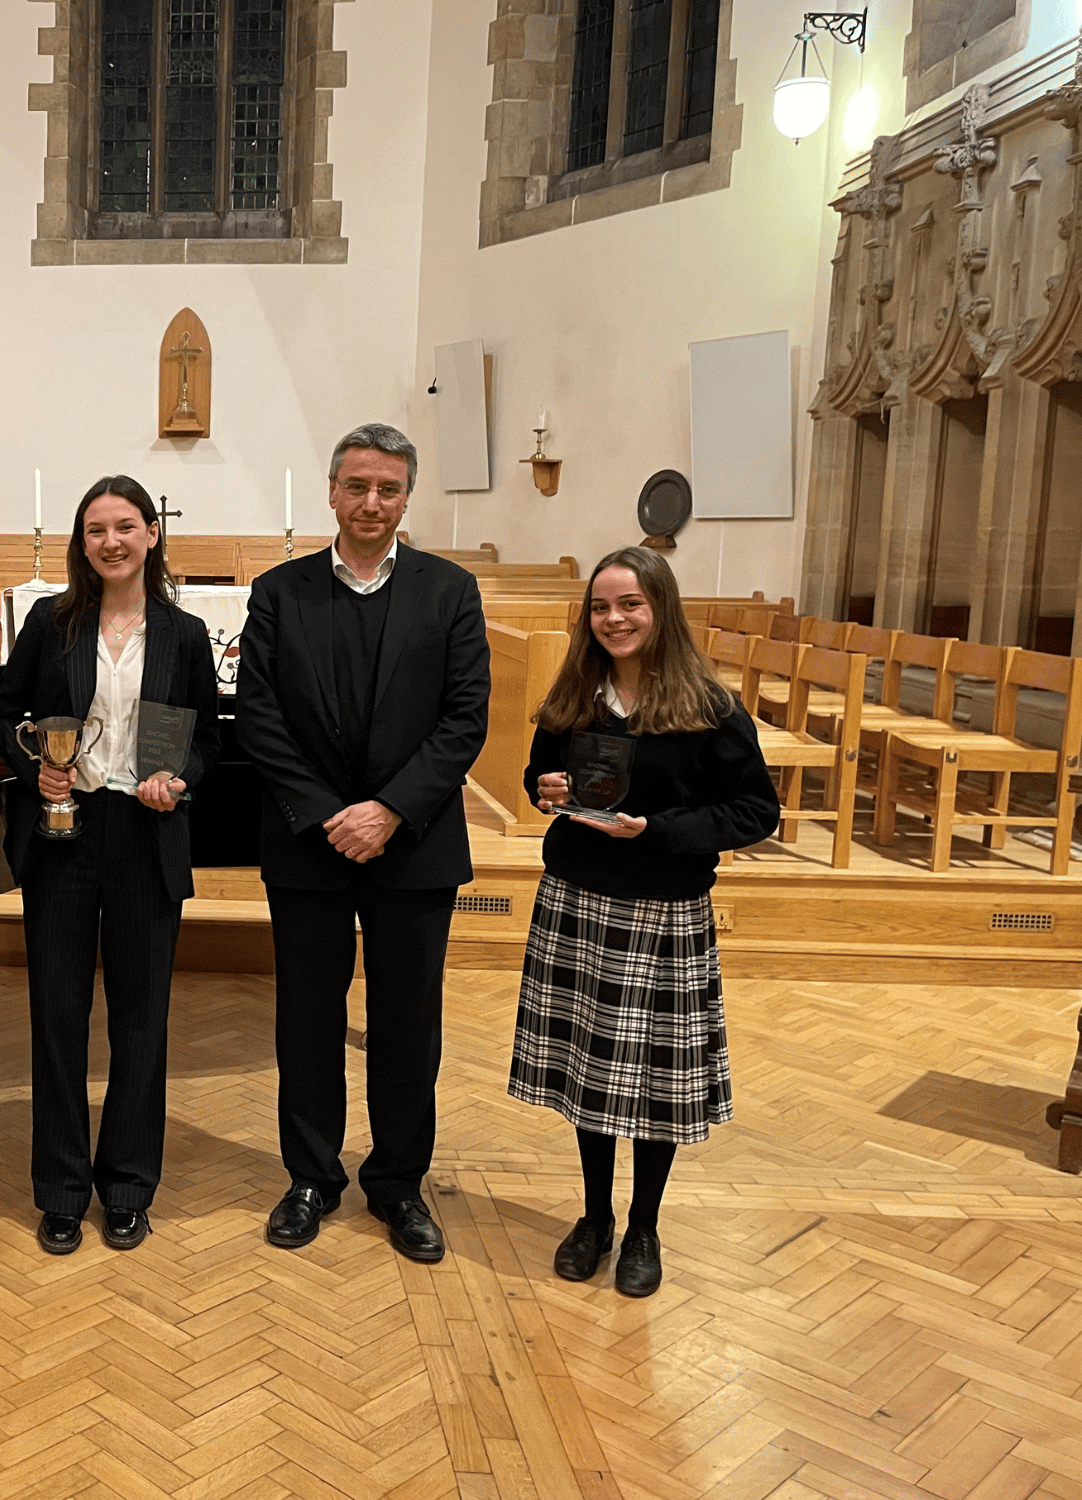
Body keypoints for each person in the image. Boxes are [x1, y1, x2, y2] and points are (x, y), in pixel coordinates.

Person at [234, 422, 490, 1263]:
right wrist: (326, 812)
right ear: (333, 492)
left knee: (407, 1023)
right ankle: (310, 1176)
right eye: (357, 486)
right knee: (306, 1019)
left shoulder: (449, 592)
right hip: (309, 843)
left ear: (407, 495)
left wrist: (388, 811)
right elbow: (260, 717)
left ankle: (399, 1184)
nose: (371, 502)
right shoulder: (280, 593)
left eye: (388, 488)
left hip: (412, 845)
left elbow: (463, 721)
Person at [511, 548, 778, 1297]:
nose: (614, 619)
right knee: (587, 1070)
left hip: (662, 908)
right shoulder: (574, 695)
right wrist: (547, 787)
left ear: (660, 609)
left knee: (654, 1082)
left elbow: (756, 812)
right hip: (577, 899)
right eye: (601, 608)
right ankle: (593, 1216)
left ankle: (644, 1226)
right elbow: (538, 778)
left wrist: (655, 831)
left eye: (630, 605)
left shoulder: (709, 706)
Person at [0, 477, 221, 1255]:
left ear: (153, 534)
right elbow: (2, 710)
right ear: (81, 541)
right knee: (57, 1017)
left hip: (145, 834)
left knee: (140, 1021)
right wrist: (36, 771)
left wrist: (180, 775)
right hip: (64, 832)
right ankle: (60, 1189)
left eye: (126, 526)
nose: (112, 542)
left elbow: (209, 738)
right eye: (96, 529)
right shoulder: (50, 623)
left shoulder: (185, 634)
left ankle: (127, 1185)